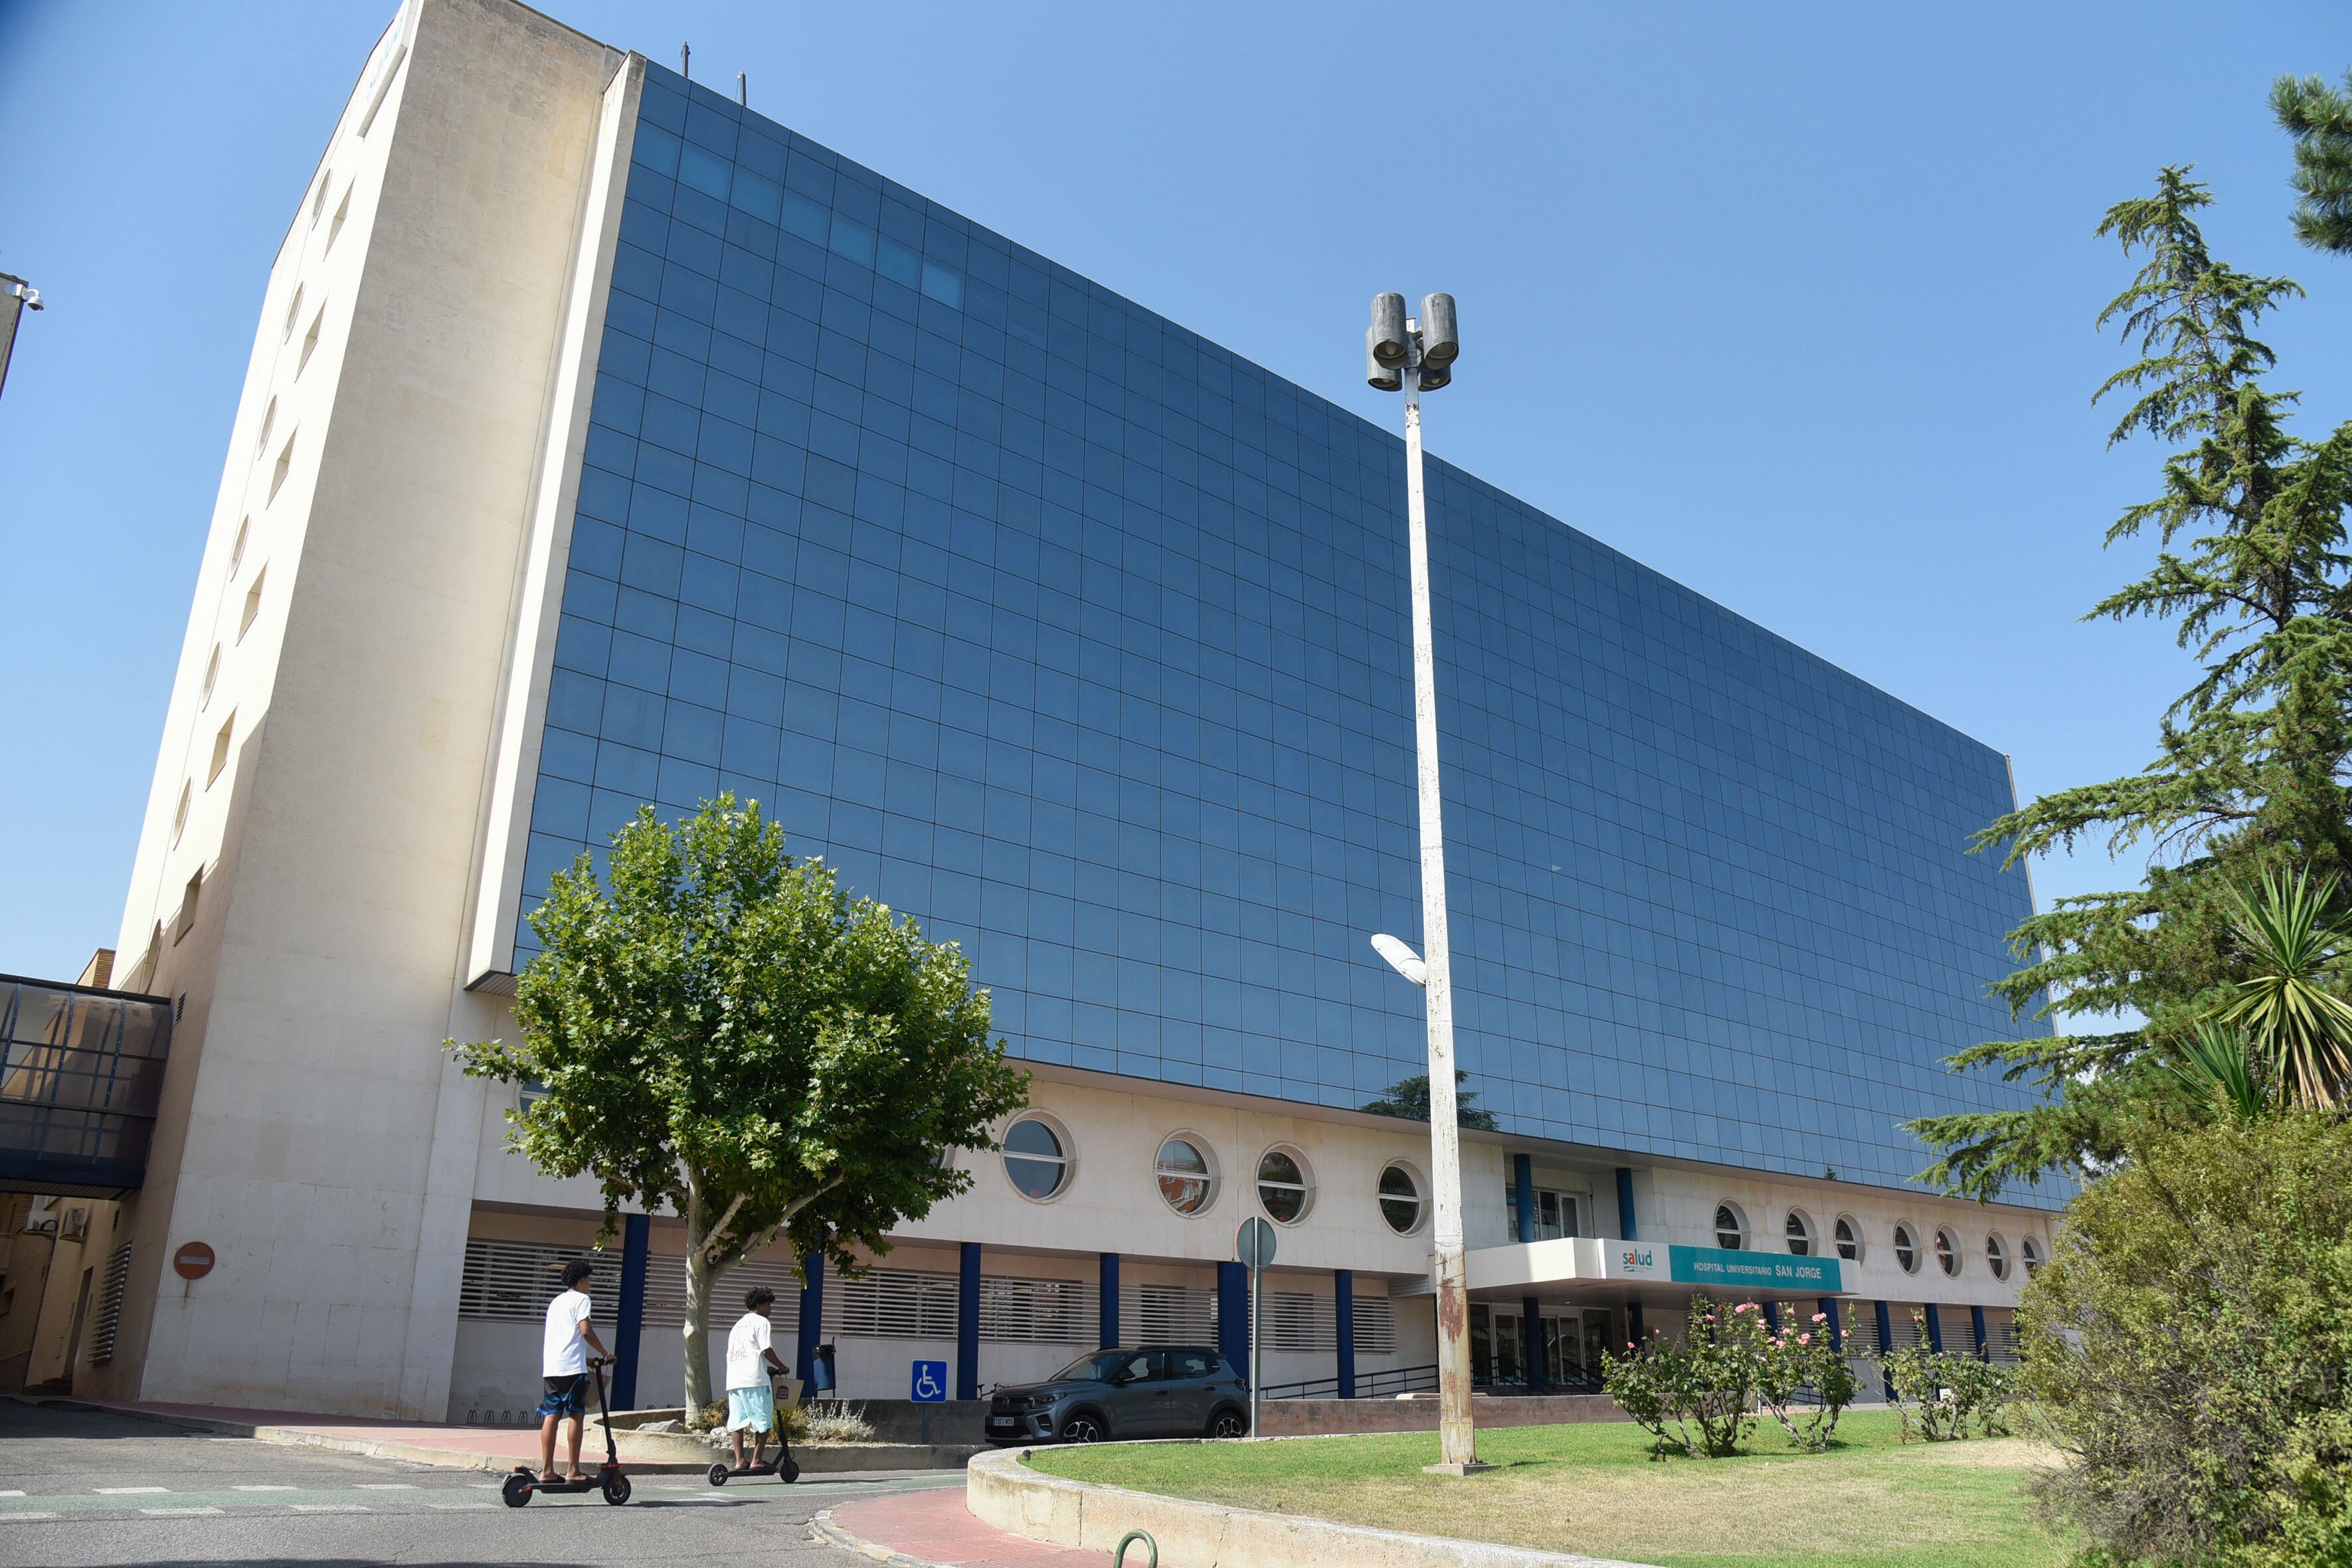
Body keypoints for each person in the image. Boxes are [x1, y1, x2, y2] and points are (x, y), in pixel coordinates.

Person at [539, 1259, 611, 1483]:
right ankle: (573, 1470)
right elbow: (585, 1331)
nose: (589, 1284)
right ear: (581, 1280)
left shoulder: (556, 1302)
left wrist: (587, 1359)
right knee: (577, 1415)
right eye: (588, 1280)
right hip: (572, 1371)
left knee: (552, 1415)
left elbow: (564, 1339)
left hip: (552, 1368)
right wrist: (605, 1353)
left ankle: (547, 1471)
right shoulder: (582, 1299)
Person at [725, 1285, 789, 1470]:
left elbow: (745, 1352)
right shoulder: (762, 1322)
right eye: (768, 1304)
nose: (771, 1309)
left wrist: (765, 1366)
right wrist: (781, 1366)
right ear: (760, 1305)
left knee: (737, 1421)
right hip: (754, 1380)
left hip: (735, 1380)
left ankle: (739, 1461)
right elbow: (765, 1349)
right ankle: (757, 1461)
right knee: (763, 1419)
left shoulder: (738, 1325)